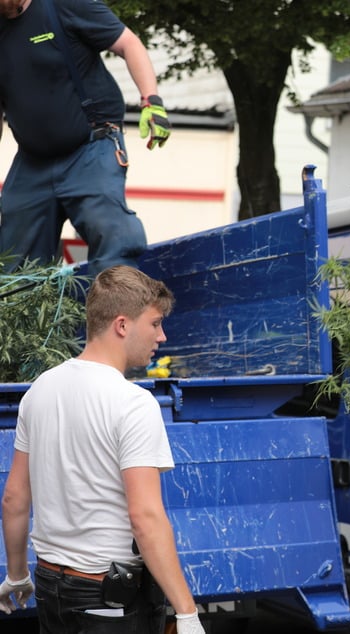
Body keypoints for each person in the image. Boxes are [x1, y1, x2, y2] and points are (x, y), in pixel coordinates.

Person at [0, 265, 203, 634]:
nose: (163, 335)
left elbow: (14, 498)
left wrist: (16, 575)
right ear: (122, 325)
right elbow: (146, 517)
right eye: (155, 323)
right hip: (107, 599)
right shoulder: (133, 404)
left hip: (50, 585)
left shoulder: (39, 390)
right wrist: (186, 612)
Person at [0, 0, 171, 277]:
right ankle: (25, 319)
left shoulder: (63, 6)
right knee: (14, 264)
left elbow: (129, 43)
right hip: (32, 162)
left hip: (91, 146)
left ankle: (117, 315)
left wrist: (151, 102)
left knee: (110, 232)